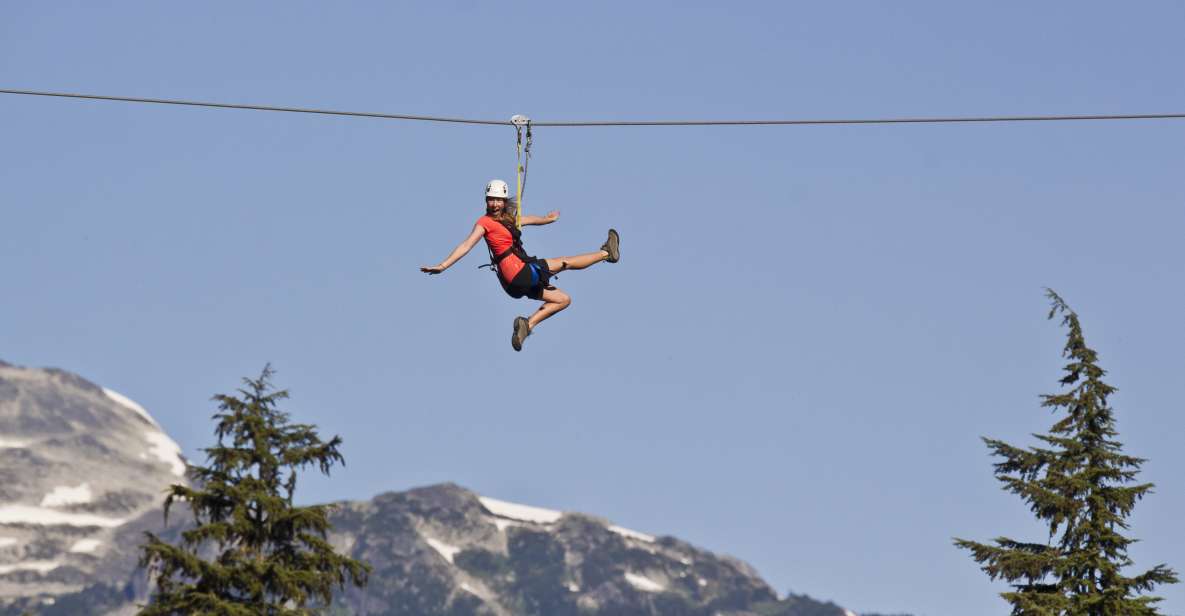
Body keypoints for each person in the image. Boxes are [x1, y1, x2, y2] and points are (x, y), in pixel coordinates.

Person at [421, 179, 619, 351]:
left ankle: (527, 325)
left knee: (563, 299)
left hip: (514, 284)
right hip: (517, 273)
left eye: (498, 199)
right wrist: (443, 265)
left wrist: (547, 219)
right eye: (491, 199)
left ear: (505, 201)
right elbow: (466, 245)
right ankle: (606, 253)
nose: (495, 203)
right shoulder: (484, 222)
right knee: (564, 262)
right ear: (486, 201)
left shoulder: (508, 220)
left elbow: (527, 220)